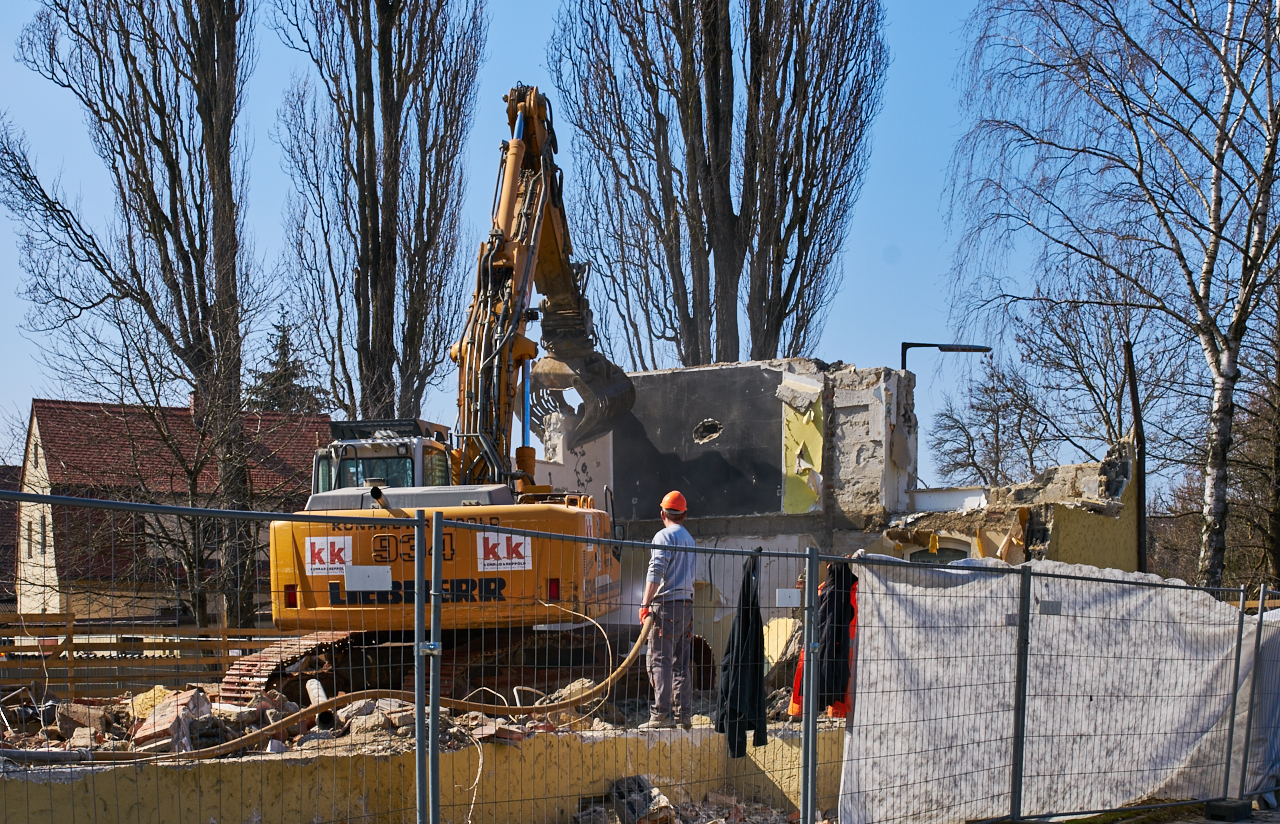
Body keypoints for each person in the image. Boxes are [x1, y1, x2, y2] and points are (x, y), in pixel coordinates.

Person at [638, 490, 696, 730]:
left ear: (663, 514)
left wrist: (645, 604)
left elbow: (656, 572)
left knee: (659, 659)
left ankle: (661, 714)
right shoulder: (689, 540)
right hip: (686, 606)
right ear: (684, 515)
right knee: (681, 662)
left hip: (667, 607)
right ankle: (683, 715)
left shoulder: (663, 536)